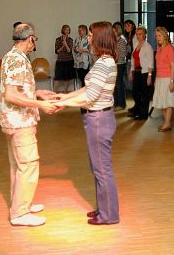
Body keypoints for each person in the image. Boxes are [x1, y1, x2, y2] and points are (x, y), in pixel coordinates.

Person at [53, 21, 119, 225]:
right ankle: (103, 209)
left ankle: (108, 215)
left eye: (91, 35)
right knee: (98, 168)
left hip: (98, 119)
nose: (89, 38)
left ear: (99, 38)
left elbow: (89, 96)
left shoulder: (103, 63)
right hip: (98, 118)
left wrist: (64, 105)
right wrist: (62, 98)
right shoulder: (102, 61)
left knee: (102, 170)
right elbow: (85, 89)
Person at [0, 23, 58, 227]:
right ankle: (20, 213)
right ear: (30, 38)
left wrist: (38, 93)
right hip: (19, 122)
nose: (35, 44)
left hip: (14, 120)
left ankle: (21, 204)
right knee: (28, 165)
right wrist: (40, 104)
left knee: (18, 165)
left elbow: (18, 89)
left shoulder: (13, 56)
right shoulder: (17, 59)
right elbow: (11, 94)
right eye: (35, 40)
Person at [152, 27, 174, 131]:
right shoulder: (159, 48)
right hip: (159, 78)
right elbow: (158, 65)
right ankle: (167, 122)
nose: (158, 38)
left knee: (168, 101)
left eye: (160, 35)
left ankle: (167, 123)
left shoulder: (169, 48)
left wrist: (172, 81)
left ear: (165, 36)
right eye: (156, 36)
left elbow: (173, 66)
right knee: (161, 101)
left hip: (168, 78)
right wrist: (155, 80)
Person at [127, 26, 154, 120]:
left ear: (144, 35)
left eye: (140, 34)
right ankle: (137, 111)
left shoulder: (148, 46)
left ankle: (143, 114)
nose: (138, 36)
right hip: (137, 72)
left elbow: (151, 62)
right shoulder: (136, 45)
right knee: (135, 93)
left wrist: (149, 76)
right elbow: (133, 59)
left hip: (145, 73)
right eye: (137, 34)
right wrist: (131, 71)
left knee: (144, 94)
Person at [54, 24, 75, 93]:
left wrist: (65, 44)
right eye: (66, 29)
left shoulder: (70, 40)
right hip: (60, 61)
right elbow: (56, 51)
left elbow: (69, 51)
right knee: (57, 77)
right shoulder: (58, 39)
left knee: (67, 78)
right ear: (63, 30)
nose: (67, 31)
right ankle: (54, 92)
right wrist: (63, 46)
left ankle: (65, 92)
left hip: (69, 61)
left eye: (68, 29)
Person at [112, 22, 128, 110]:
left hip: (120, 64)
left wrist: (115, 58)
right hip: (114, 64)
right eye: (112, 31)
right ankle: (116, 103)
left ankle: (122, 104)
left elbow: (123, 54)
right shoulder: (114, 40)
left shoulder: (122, 40)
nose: (113, 33)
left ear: (118, 31)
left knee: (119, 84)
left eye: (114, 31)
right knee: (115, 85)